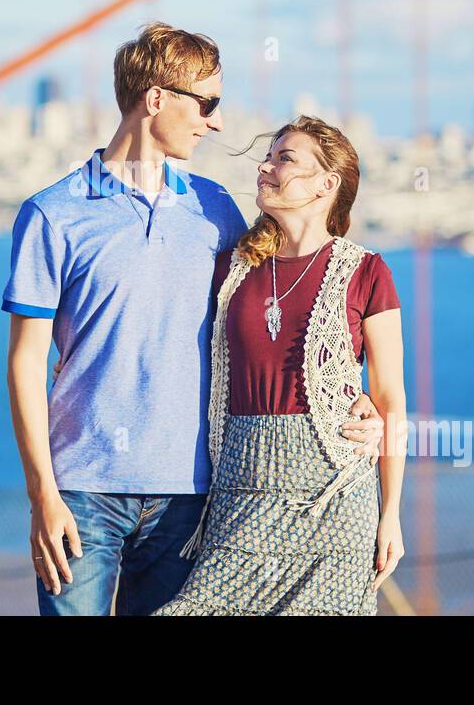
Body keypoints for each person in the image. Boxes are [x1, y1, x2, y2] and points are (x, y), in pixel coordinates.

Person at [4, 23, 385, 616]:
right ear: (157, 99)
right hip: (81, 492)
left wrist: (358, 403)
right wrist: (42, 496)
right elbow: (26, 363)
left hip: (192, 498)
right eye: (207, 104)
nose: (217, 122)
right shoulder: (52, 216)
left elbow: (290, 303)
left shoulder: (217, 212)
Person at [155, 116, 406, 615]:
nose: (265, 167)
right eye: (267, 157)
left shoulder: (366, 271)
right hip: (239, 492)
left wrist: (391, 514)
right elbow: (169, 338)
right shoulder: (230, 269)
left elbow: (391, 398)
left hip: (335, 502)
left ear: (327, 184)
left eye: (284, 158)